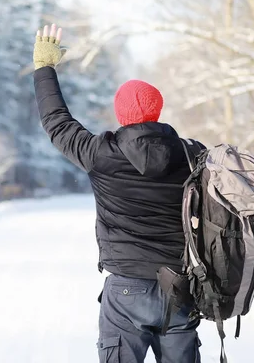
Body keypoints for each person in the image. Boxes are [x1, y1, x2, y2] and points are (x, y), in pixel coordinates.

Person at [32, 24, 202, 363]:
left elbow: (57, 122)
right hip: (180, 286)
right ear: (157, 110)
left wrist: (44, 69)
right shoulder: (192, 156)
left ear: (121, 115)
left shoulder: (101, 155)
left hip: (126, 288)